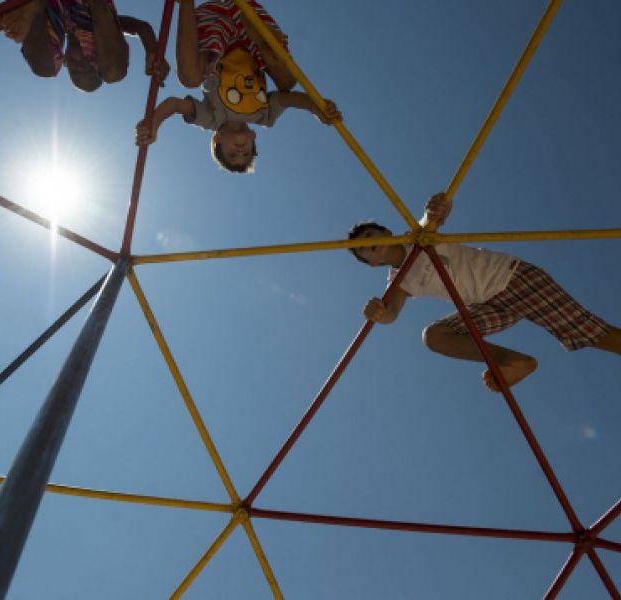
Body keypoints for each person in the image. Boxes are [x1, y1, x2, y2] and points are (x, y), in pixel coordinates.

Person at [348, 194, 621, 391]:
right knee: (435, 336)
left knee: (587, 333)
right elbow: (390, 313)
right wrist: (378, 314)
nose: (369, 244)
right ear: (371, 263)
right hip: (491, 304)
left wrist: (437, 208)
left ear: (387, 232)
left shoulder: (417, 236)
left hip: (512, 279)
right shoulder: (399, 282)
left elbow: (432, 217)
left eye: (370, 236)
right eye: (363, 249)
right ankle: (513, 362)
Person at [134, 0, 341, 173]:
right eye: (247, 153)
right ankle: (262, 37)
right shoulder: (265, 116)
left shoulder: (211, 119)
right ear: (253, 138)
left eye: (232, 154)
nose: (240, 151)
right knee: (287, 83)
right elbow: (291, 99)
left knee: (189, 79)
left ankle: (186, 4)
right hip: (248, 33)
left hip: (214, 31)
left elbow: (174, 104)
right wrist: (317, 108)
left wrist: (154, 123)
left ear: (217, 139)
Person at [0, 0, 169, 92]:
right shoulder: (97, 28)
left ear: (66, 62)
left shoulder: (59, 25)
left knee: (44, 69)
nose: (81, 66)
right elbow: (140, 26)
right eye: (90, 69)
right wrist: (153, 51)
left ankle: (21, 11)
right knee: (114, 73)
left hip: (48, 6)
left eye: (75, 72)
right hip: (93, 9)